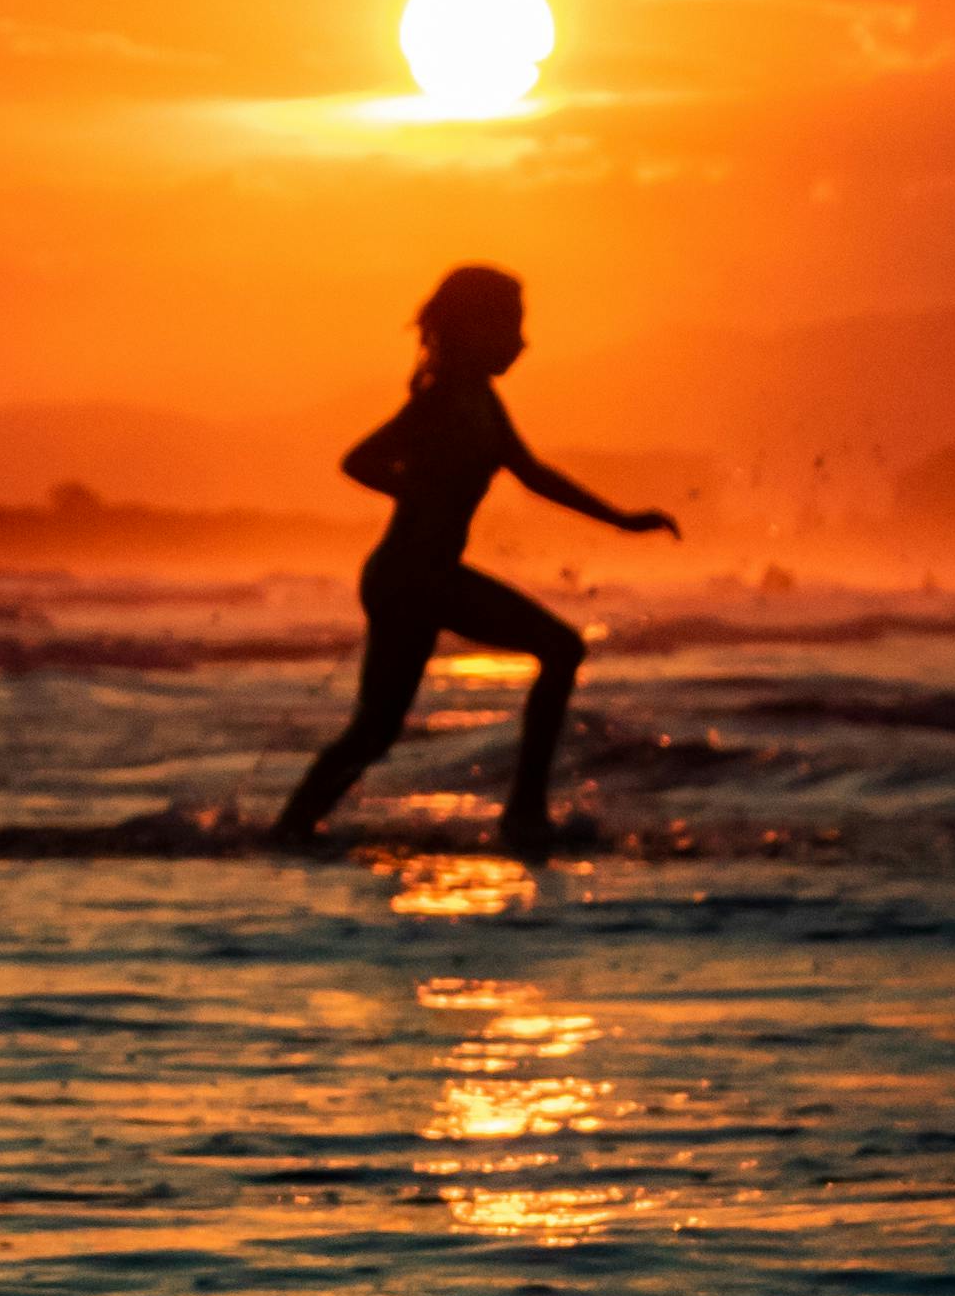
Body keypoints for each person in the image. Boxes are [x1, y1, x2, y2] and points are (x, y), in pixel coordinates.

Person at [274, 265, 679, 857]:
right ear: (472, 327)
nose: (522, 342)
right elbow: (358, 460)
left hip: (423, 578)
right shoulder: (443, 399)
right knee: (557, 650)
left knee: (379, 728)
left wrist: (621, 520)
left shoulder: (481, 399)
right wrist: (419, 492)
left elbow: (533, 474)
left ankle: (292, 828)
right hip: (411, 577)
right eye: (510, 326)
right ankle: (523, 816)